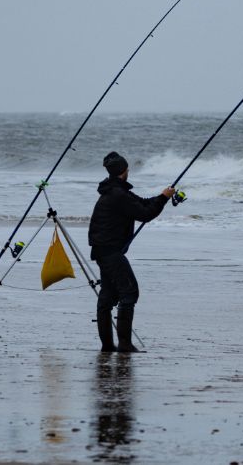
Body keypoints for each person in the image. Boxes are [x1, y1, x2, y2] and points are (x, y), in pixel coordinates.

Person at [89, 151, 175, 353]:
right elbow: (145, 214)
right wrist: (163, 199)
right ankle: (125, 345)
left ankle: (108, 346)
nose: (129, 171)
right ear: (123, 171)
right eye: (127, 168)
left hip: (103, 250)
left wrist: (163, 195)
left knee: (108, 296)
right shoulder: (118, 194)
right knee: (129, 293)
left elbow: (142, 203)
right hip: (110, 252)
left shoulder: (114, 190)